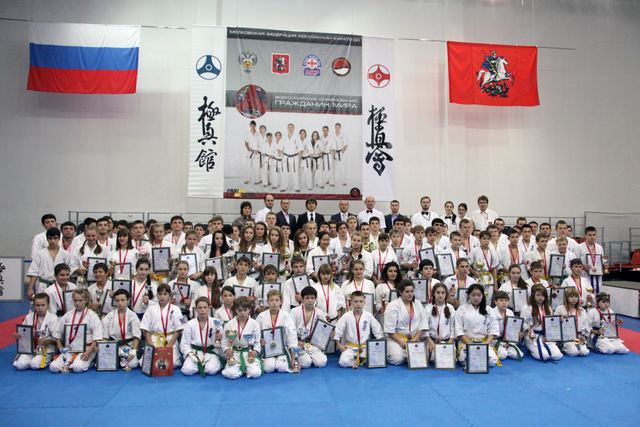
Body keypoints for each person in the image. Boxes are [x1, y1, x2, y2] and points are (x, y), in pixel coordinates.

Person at [50, 289, 103, 373]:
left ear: (86, 300)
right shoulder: (68, 315)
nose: (77, 303)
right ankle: (70, 362)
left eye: (80, 300)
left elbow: (97, 338)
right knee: (54, 367)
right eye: (75, 300)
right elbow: (57, 334)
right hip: (70, 348)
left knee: (77, 368)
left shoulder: (92, 316)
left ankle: (89, 363)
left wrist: (88, 352)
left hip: (87, 348)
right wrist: (61, 348)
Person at [384, 280, 430, 365]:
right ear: (400, 292)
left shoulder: (417, 304)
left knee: (424, 358)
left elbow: (422, 325)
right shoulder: (392, 305)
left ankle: (410, 356)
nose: (410, 294)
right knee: (397, 359)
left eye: (412, 291)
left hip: (413, 338)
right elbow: (390, 330)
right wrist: (401, 343)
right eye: (407, 292)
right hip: (397, 339)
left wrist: (414, 340)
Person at [453, 284, 500, 367]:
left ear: (483, 296)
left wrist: (486, 344)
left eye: (479, 295)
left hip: (484, 342)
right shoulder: (461, 309)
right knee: (464, 360)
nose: (476, 298)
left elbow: (493, 329)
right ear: (469, 295)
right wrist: (470, 344)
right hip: (466, 342)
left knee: (491, 361)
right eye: (473, 295)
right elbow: (459, 330)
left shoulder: (489, 310)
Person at [334, 291, 384, 368]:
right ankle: (359, 360)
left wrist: (377, 347)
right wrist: (339, 345)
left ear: (364, 302)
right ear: (351, 302)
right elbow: (337, 331)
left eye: (360, 301)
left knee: (377, 361)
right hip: (351, 348)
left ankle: (358, 359)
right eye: (355, 301)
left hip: (365, 347)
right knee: (343, 362)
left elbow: (378, 331)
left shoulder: (368, 316)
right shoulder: (346, 316)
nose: (358, 304)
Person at [139, 283, 185, 367]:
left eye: (165, 294)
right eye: (160, 294)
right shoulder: (151, 309)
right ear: (157, 295)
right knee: (144, 364)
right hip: (155, 339)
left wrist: (170, 344)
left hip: (170, 339)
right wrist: (150, 345)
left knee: (173, 363)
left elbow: (178, 329)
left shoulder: (175, 309)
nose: (162, 297)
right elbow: (146, 329)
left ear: (170, 295)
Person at [256, 290, 298, 373]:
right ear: (267, 302)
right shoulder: (261, 316)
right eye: (271, 300)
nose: (274, 303)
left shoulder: (286, 316)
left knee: (282, 368)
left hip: (282, 348)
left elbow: (291, 337)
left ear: (281, 301)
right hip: (267, 349)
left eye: (277, 300)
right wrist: (259, 340)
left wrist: (294, 359)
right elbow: (256, 334)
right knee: (268, 368)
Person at [180, 297, 224, 377]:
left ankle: (204, 365)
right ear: (196, 309)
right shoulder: (190, 324)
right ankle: (200, 365)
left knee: (211, 370)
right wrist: (190, 353)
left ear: (209, 308)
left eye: (205, 307)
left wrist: (221, 338)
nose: (202, 310)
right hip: (195, 352)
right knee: (187, 370)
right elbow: (184, 343)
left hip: (211, 351)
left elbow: (224, 342)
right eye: (200, 308)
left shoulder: (216, 323)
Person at [13, 293, 58, 370]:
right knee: (20, 365)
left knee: (34, 365)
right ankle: (32, 359)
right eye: (37, 305)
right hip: (31, 347)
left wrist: (46, 341)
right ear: (34, 305)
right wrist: (17, 335)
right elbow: (23, 332)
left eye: (43, 305)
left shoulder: (53, 318)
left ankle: (43, 359)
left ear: (48, 305)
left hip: (46, 348)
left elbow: (57, 340)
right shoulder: (29, 317)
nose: (40, 308)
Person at [222, 296, 262, 379]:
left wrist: (255, 351)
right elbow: (224, 341)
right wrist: (227, 351)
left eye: (245, 310)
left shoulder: (254, 324)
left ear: (249, 309)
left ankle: (244, 368)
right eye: (239, 310)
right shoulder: (229, 324)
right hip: (235, 353)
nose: (242, 313)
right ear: (236, 310)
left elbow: (257, 342)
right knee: (230, 374)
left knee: (255, 373)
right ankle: (241, 370)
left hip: (248, 354)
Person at [520, 284, 563, 362]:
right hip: (532, 336)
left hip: (545, 335)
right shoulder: (526, 308)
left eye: (543, 295)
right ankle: (531, 349)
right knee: (544, 356)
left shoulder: (548, 307)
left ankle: (543, 347)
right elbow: (523, 323)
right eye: (538, 295)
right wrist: (529, 330)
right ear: (533, 295)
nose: (540, 297)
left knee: (557, 355)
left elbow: (551, 323)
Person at [101, 289, 142, 369]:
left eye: (123, 300)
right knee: (106, 363)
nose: (120, 303)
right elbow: (105, 336)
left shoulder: (133, 316)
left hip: (128, 346)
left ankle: (120, 360)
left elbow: (136, 336)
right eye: (117, 300)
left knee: (132, 364)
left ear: (128, 300)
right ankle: (117, 360)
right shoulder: (110, 316)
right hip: (114, 345)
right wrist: (104, 349)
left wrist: (134, 351)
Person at [290, 286, 328, 369]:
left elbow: (324, 330)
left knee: (321, 363)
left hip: (313, 343)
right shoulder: (294, 312)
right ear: (302, 299)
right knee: (306, 363)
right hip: (298, 343)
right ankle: (302, 356)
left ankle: (311, 356)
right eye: (307, 298)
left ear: (316, 299)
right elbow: (290, 332)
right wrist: (296, 342)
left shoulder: (320, 313)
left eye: (312, 298)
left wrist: (329, 333)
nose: (310, 301)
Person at [27, 227, 71, 298]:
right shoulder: (40, 254)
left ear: (59, 239)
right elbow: (34, 272)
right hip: (44, 285)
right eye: (50, 238)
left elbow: (68, 273)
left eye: (55, 238)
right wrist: (30, 288)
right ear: (47, 239)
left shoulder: (65, 254)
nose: (52, 241)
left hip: (60, 285)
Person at [554, 288, 589, 357]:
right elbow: (553, 324)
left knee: (584, 352)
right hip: (567, 337)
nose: (574, 299)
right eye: (571, 297)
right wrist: (560, 318)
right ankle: (562, 346)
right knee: (573, 352)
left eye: (576, 297)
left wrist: (584, 336)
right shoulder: (560, 308)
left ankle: (578, 345)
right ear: (566, 298)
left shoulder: (582, 310)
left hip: (578, 336)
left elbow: (585, 325)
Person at [425, 283, 455, 361]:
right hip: (432, 341)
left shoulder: (450, 308)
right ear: (433, 294)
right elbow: (425, 327)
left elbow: (453, 327)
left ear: (446, 294)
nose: (440, 295)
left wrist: (450, 341)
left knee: (450, 360)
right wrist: (430, 342)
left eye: (443, 293)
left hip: (447, 340)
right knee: (434, 358)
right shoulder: (428, 308)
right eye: (438, 293)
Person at [491, 291, 523, 361]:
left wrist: (517, 333)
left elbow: (513, 328)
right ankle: (500, 350)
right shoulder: (491, 313)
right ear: (495, 302)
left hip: (507, 340)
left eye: (506, 301)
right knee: (502, 355)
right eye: (501, 300)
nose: (504, 303)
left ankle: (505, 349)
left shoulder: (510, 312)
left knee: (518, 355)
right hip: (495, 340)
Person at [578, 226, 607, 294]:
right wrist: (583, 266)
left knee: (597, 296)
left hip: (597, 276)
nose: (592, 237)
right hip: (585, 276)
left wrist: (605, 266)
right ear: (585, 235)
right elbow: (575, 262)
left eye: (594, 235)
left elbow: (603, 260)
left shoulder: (599, 247)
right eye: (590, 235)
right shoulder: (579, 247)